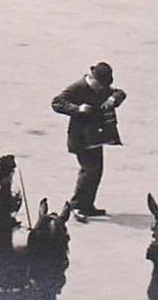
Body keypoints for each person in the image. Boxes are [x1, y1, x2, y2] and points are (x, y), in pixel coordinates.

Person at [51, 61, 126, 221]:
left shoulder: (103, 88)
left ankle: (87, 205)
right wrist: (77, 109)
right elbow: (57, 102)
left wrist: (112, 99)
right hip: (80, 137)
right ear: (93, 79)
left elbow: (120, 93)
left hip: (95, 138)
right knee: (88, 171)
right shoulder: (78, 87)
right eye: (100, 85)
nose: (102, 89)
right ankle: (77, 205)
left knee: (97, 171)